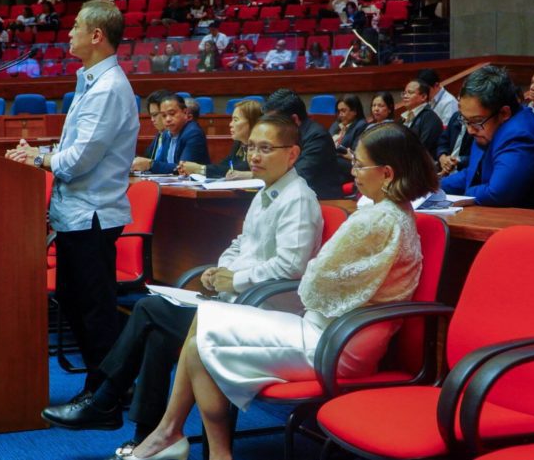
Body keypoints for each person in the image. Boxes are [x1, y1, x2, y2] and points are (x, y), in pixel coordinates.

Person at [127, 122, 438, 460]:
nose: (353, 171)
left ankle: (193, 444)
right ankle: (176, 436)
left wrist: (316, 277)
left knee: (204, 334)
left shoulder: (377, 221)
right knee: (204, 325)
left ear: (387, 172)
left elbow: (314, 285)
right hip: (339, 333)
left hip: (337, 344)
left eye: (360, 165)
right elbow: (319, 281)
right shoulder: (389, 213)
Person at [40, 115, 324, 455]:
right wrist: (218, 270)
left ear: (292, 154)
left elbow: (290, 267)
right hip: (237, 299)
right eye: (251, 148)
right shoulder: (267, 192)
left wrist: (236, 279)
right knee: (157, 328)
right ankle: (150, 434)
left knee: (148, 310)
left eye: (266, 149)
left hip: (267, 311)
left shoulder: (298, 198)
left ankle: (104, 399)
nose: (255, 157)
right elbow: (240, 244)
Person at [4, 0, 139, 395]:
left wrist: (40, 157)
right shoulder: (91, 81)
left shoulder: (109, 88)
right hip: (77, 214)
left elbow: (79, 161)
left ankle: (108, 390)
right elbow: (79, 145)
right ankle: (106, 384)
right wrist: (43, 150)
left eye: (76, 26)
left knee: (94, 308)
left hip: (92, 215)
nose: (69, 33)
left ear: (96, 35)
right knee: (73, 299)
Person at [441, 65, 534, 211]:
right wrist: (434, 187)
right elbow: (473, 173)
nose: (470, 130)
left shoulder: (520, 135)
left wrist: (463, 196)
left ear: (504, 113)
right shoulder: (488, 126)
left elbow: (498, 194)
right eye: (465, 120)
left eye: (476, 121)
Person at [263, 89, 344, 199]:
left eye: (275, 122)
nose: (271, 127)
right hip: (291, 196)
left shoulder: (318, 137)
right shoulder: (286, 135)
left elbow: (300, 175)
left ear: (294, 119)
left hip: (321, 201)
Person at [179, 99, 262, 179]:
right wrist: (198, 168)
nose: (230, 124)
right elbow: (224, 166)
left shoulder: (260, 146)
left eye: (235, 120)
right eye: (231, 120)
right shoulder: (239, 143)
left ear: (252, 122)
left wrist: (200, 169)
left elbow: (242, 168)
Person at [131, 94, 210, 173]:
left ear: (185, 113)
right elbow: (163, 164)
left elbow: (183, 169)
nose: (168, 119)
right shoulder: (166, 134)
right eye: (164, 115)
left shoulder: (193, 133)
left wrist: (150, 164)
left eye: (172, 114)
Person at [330, 94, 369, 182]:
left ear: (354, 111)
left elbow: (355, 151)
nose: (340, 114)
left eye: (343, 111)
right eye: (338, 111)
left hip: (349, 164)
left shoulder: (361, 126)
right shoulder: (336, 125)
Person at [400, 79, 442, 159]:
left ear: (423, 97)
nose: (405, 96)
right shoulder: (403, 118)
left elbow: (422, 148)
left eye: (410, 93)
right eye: (404, 93)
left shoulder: (430, 118)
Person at [436, 111, 473, 176]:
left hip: (466, 173)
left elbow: (480, 158)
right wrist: (442, 156)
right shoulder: (456, 117)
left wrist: (458, 160)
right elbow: (443, 142)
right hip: (445, 169)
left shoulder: (479, 123)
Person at [141, 89, 172, 161]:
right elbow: (147, 158)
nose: (152, 119)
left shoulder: (176, 137)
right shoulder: (159, 135)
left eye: (155, 115)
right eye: (151, 116)